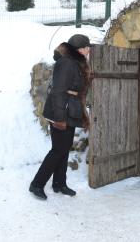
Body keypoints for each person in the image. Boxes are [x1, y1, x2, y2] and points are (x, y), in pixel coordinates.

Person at [29, 34, 91, 200]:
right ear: (79, 49)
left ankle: (59, 184)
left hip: (69, 110)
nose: (88, 49)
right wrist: (59, 118)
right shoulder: (67, 63)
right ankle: (36, 184)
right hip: (61, 111)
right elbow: (58, 91)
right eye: (86, 47)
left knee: (64, 149)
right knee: (58, 150)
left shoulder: (76, 62)